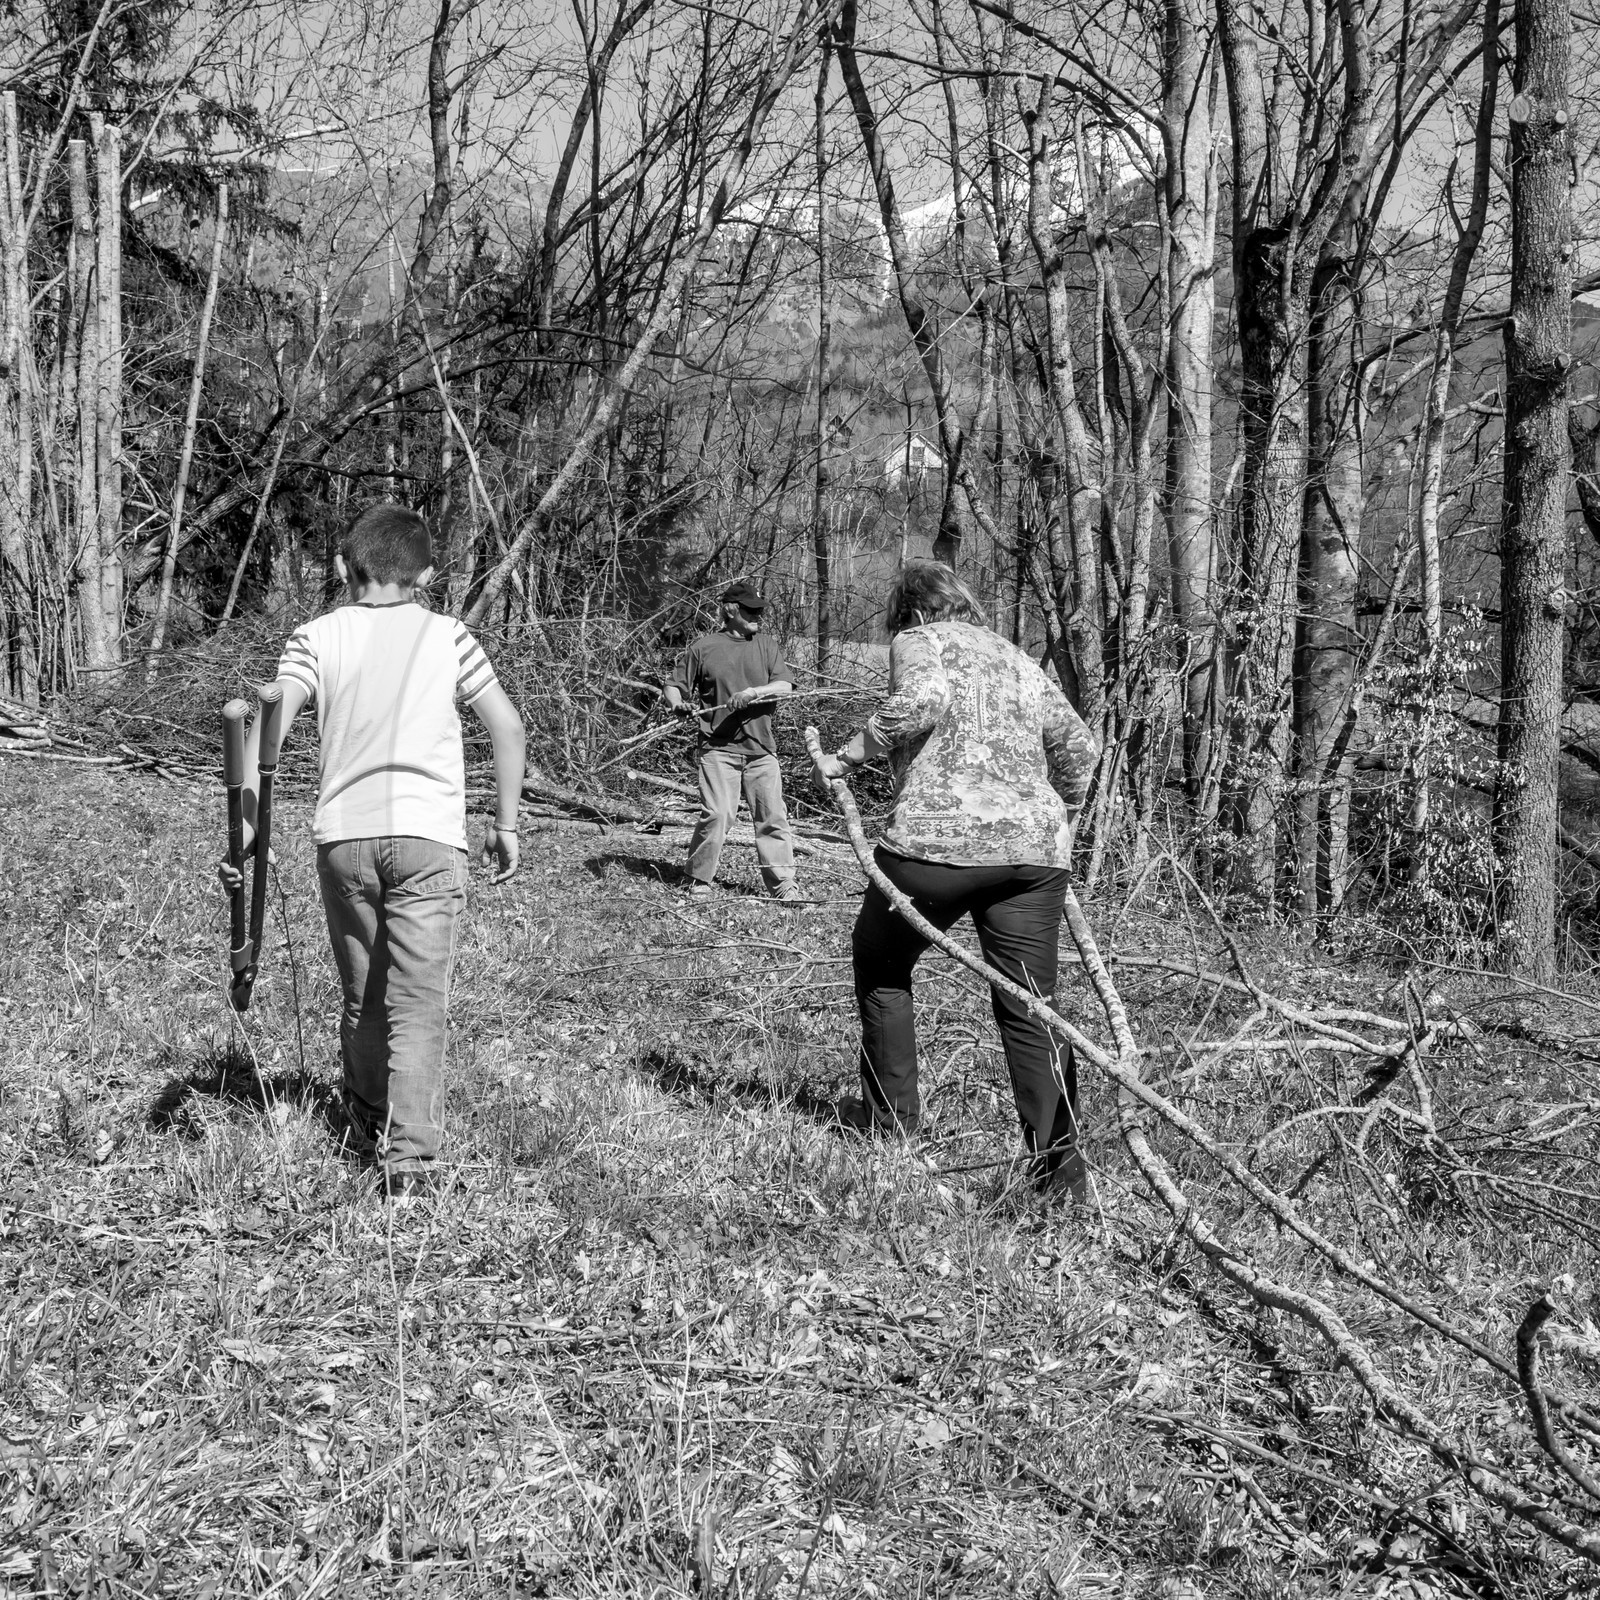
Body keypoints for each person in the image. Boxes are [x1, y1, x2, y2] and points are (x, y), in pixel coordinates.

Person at [219, 504, 526, 1200]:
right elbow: (506, 727)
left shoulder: (314, 637)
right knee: (418, 1005)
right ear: (426, 574)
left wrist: (247, 838)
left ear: (341, 567)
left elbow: (265, 732)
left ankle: (364, 1111)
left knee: (364, 996)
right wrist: (506, 823)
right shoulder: (450, 637)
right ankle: (411, 1160)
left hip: (346, 840)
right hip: (428, 839)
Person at [810, 561, 1100, 1200]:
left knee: (882, 965)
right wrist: (1063, 819)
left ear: (911, 612)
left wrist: (851, 754)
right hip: (1035, 853)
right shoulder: (1018, 658)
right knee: (1031, 1005)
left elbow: (922, 701)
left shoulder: (922, 637)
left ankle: (892, 1132)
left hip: (939, 844)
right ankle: (1060, 1178)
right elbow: (1080, 746)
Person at [664, 580, 801, 903]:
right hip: (717, 749)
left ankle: (784, 886)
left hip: (761, 750)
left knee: (772, 819)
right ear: (731, 610)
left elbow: (785, 686)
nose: (758, 616)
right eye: (751, 610)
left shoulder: (766, 645)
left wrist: (754, 693)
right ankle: (698, 878)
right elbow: (673, 687)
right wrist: (677, 704)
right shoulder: (704, 647)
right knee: (718, 814)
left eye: (760, 610)